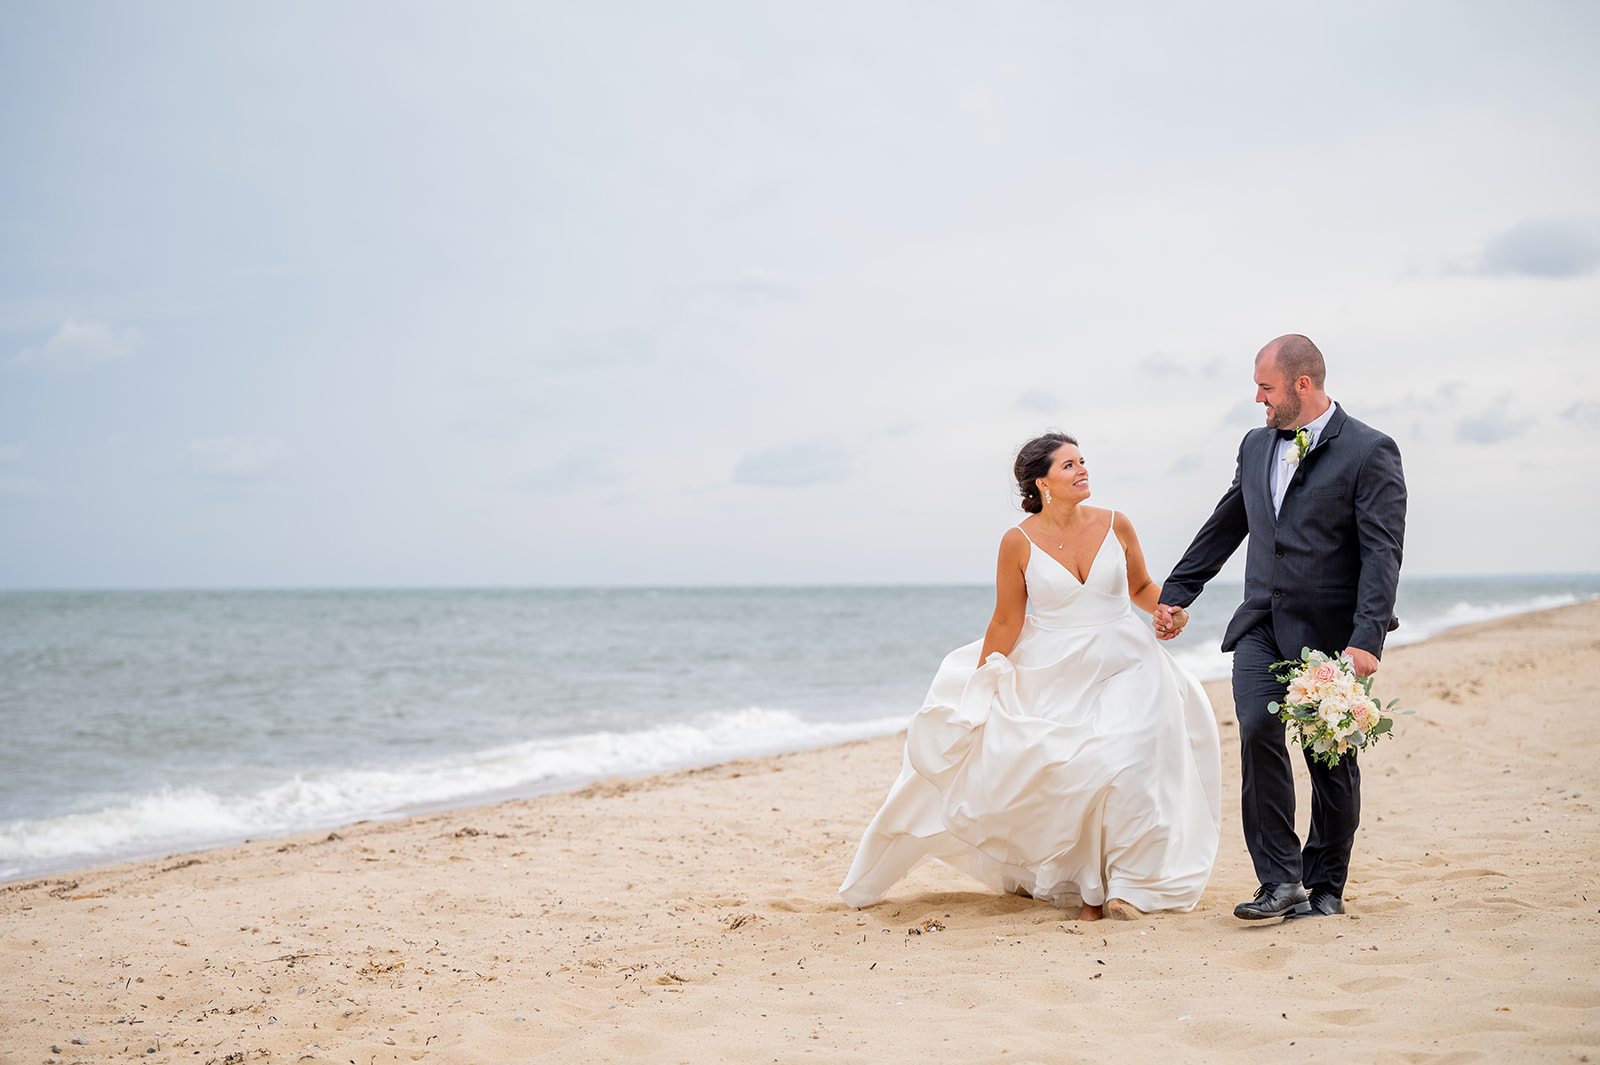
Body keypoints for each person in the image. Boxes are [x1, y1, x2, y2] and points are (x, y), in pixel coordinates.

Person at [839, 433, 1222, 921]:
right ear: (1042, 483)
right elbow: (1005, 622)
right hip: (1055, 668)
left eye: (1083, 461)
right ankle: (1088, 884)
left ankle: (1128, 887)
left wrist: (1169, 610)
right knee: (1075, 770)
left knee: (1130, 757)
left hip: (1128, 659)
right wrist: (978, 688)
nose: (1083, 470)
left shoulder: (1115, 523)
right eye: (1069, 466)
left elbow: (1143, 587)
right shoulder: (1017, 542)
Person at [1154, 334, 1406, 921]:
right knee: (1255, 732)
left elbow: (1382, 551)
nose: (1258, 400)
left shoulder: (1370, 451)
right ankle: (1279, 881)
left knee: (1329, 761)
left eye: (1265, 388)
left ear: (1302, 384)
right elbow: (1229, 520)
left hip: (1330, 636)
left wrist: (1367, 638)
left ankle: (1324, 887)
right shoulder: (1255, 444)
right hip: (1261, 625)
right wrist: (1177, 592)